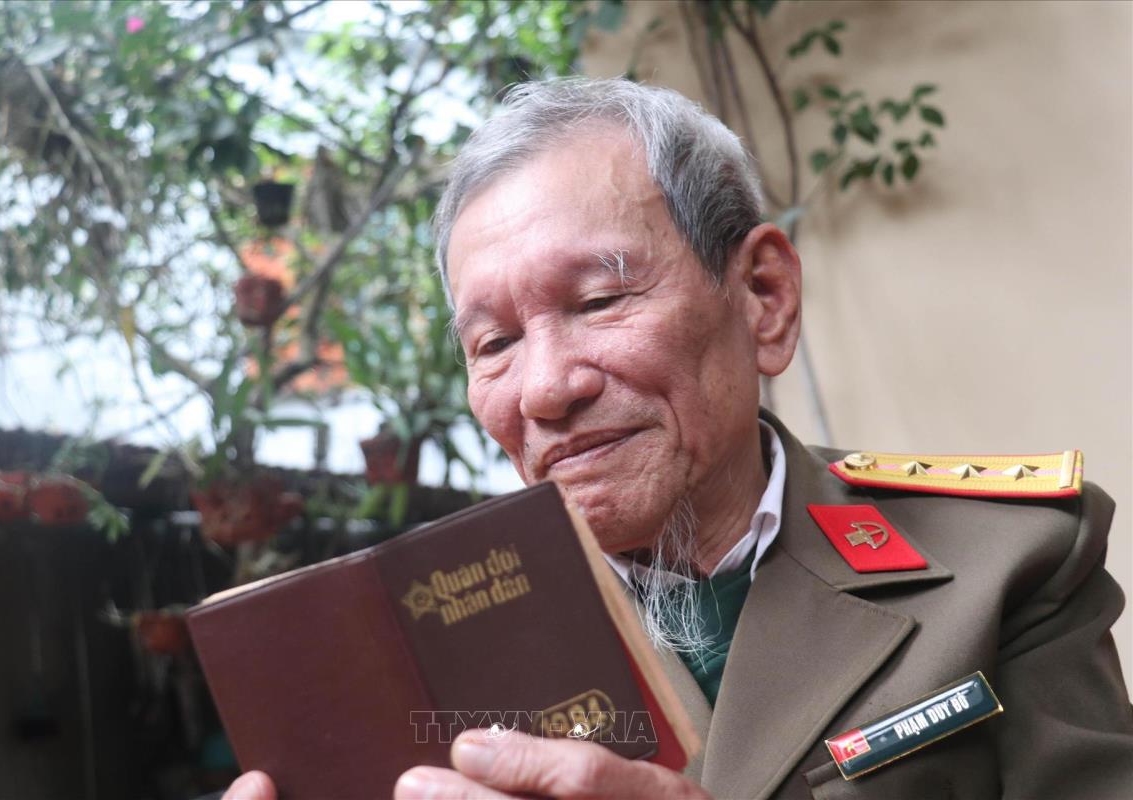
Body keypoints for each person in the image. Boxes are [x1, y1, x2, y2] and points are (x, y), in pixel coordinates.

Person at [225, 78, 1133, 799]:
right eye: (493, 344)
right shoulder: (428, 653)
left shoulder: (1003, 565)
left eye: (599, 300)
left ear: (763, 298)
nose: (545, 389)